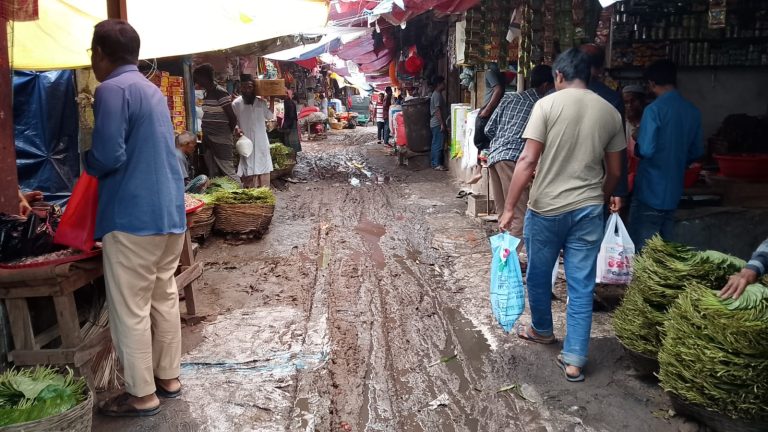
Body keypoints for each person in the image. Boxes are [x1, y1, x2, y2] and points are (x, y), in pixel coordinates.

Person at [498, 48, 624, 382]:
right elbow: (614, 170)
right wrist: (600, 195)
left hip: (546, 209)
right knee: (581, 285)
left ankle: (542, 330)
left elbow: (526, 161)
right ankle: (575, 358)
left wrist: (510, 208)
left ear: (558, 76)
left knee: (539, 275)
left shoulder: (546, 105)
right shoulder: (611, 112)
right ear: (590, 75)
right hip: (587, 210)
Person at [85, 19, 186, 417]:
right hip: (169, 214)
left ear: (99, 54)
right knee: (163, 296)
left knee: (131, 307)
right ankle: (169, 378)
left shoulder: (110, 89)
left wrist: (86, 165)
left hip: (132, 216)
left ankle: (142, 395)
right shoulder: (151, 90)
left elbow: (109, 155)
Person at [629, 60, 703, 250]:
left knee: (644, 250)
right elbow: (696, 152)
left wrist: (636, 142)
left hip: (650, 190)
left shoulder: (654, 110)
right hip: (673, 191)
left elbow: (646, 150)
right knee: (666, 251)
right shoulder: (692, 111)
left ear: (652, 83)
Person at [485, 65, 554, 250]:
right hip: (513, 159)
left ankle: (503, 259)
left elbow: (488, 129)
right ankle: (508, 263)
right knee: (519, 215)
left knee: (504, 215)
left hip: (494, 157)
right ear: (547, 85)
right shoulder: (542, 105)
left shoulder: (510, 98)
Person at [193, 64, 239, 183]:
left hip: (221, 137)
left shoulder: (219, 92)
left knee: (227, 170)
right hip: (208, 137)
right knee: (213, 171)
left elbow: (232, 117)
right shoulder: (207, 93)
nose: (196, 81)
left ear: (205, 78)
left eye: (197, 78)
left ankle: (241, 194)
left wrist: (226, 133)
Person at [232, 74, 274, 189]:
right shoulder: (236, 104)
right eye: (244, 87)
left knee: (263, 165)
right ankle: (250, 192)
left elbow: (270, 116)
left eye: (249, 87)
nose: (247, 90)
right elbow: (232, 120)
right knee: (248, 166)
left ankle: (264, 192)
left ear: (253, 88)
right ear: (240, 88)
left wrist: (272, 99)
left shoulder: (261, 103)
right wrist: (237, 129)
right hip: (246, 142)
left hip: (261, 142)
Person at [622, 85, 647, 193]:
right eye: (626, 102)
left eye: (633, 101)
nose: (630, 106)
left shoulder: (650, 122)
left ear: (642, 101)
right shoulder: (621, 123)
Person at [429, 76, 448, 171]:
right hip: (437, 123)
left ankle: (434, 163)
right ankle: (436, 164)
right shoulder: (436, 95)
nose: (444, 85)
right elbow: (437, 110)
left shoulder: (437, 94)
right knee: (438, 143)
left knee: (435, 143)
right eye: (443, 83)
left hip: (435, 123)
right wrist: (442, 123)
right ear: (439, 84)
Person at [281, 88, 301, 153]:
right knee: (292, 142)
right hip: (292, 122)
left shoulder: (289, 103)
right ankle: (293, 157)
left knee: (290, 143)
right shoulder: (288, 102)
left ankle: (292, 157)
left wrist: (286, 125)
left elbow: (291, 115)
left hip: (291, 123)